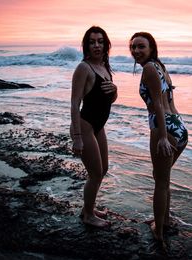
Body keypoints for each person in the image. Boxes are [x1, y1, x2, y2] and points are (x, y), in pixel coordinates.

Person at [129, 32, 188, 243]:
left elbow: (158, 107)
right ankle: (165, 220)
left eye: (141, 47)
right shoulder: (161, 67)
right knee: (163, 179)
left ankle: (159, 232)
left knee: (160, 182)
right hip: (179, 127)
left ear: (151, 48)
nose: (136, 51)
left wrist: (162, 136)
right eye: (133, 47)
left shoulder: (148, 68)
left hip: (165, 129)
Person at [70, 26, 117, 227]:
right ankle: (88, 215)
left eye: (100, 41)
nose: (96, 45)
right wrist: (77, 137)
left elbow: (109, 99)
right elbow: (74, 103)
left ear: (106, 44)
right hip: (85, 126)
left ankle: (87, 208)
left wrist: (115, 90)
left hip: (99, 126)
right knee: (95, 173)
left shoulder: (105, 67)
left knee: (103, 168)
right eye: (92, 41)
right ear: (86, 45)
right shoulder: (84, 68)